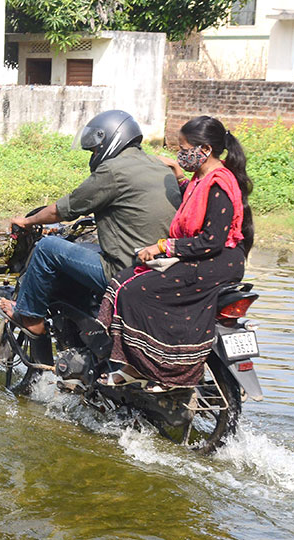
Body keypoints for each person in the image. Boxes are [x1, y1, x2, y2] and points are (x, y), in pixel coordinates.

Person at [96, 115, 254, 389]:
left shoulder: (220, 184)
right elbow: (194, 201)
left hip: (216, 261)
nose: (180, 155)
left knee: (137, 291)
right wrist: (179, 176)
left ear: (203, 150)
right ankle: (133, 366)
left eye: (183, 149)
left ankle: (164, 370)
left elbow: (211, 241)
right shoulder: (201, 178)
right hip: (206, 257)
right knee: (123, 280)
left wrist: (162, 246)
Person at [0, 110, 181, 335]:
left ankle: (30, 317)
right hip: (159, 266)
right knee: (84, 248)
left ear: (111, 140)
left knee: (46, 248)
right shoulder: (159, 166)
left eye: (94, 149)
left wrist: (27, 221)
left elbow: (62, 210)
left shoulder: (113, 171)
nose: (94, 154)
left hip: (124, 269)